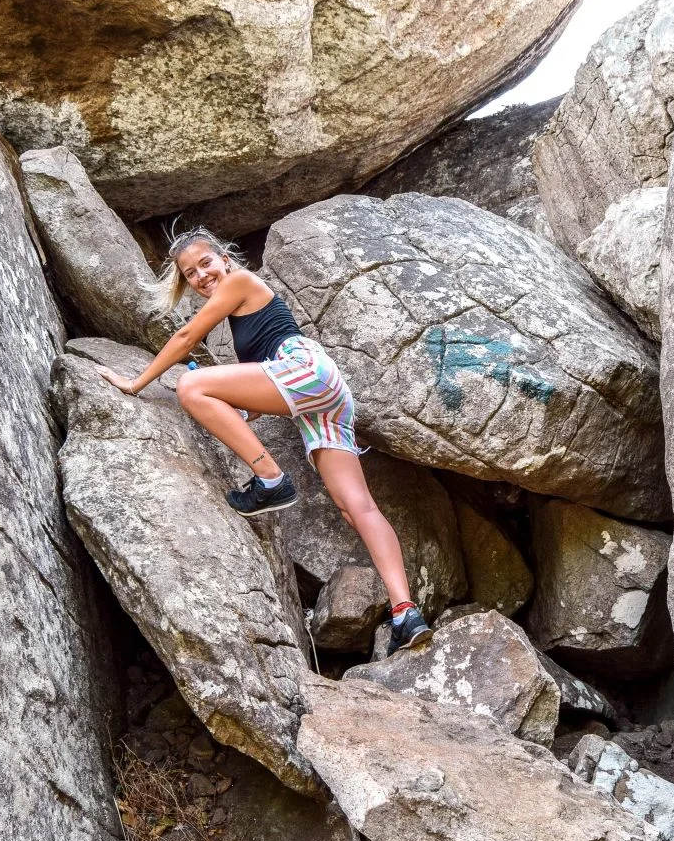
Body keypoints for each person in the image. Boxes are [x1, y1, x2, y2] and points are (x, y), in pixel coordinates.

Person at [94, 227, 432, 654]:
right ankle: (406, 613)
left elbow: (185, 339)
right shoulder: (239, 316)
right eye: (190, 273)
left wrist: (134, 383)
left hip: (306, 370)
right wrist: (237, 410)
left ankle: (271, 480)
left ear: (226, 260)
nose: (202, 275)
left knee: (192, 386)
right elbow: (258, 398)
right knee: (356, 507)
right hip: (320, 395)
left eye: (206, 263)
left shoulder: (240, 282)